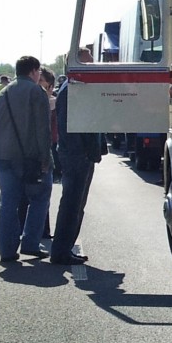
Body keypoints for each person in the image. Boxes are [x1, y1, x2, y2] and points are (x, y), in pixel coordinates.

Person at [50, 53, 106, 264]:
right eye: (87, 61)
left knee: (74, 204)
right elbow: (69, 127)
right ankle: (62, 251)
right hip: (76, 155)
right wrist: (82, 153)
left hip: (78, 154)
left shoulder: (73, 88)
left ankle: (64, 249)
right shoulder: (71, 89)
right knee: (72, 204)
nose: (91, 66)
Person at [0, 56, 53, 262]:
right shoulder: (35, 92)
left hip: (3, 157)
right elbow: (42, 130)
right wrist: (45, 159)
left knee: (8, 202)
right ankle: (30, 242)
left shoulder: (2, 93)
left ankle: (7, 249)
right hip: (29, 158)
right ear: (34, 71)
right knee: (40, 198)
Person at [16, 67, 57, 243]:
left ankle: (42, 231)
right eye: (38, 81)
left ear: (50, 85)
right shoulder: (32, 99)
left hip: (47, 149)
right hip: (30, 152)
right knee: (30, 194)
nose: (38, 85)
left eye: (42, 82)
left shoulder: (53, 102)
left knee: (41, 194)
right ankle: (27, 233)